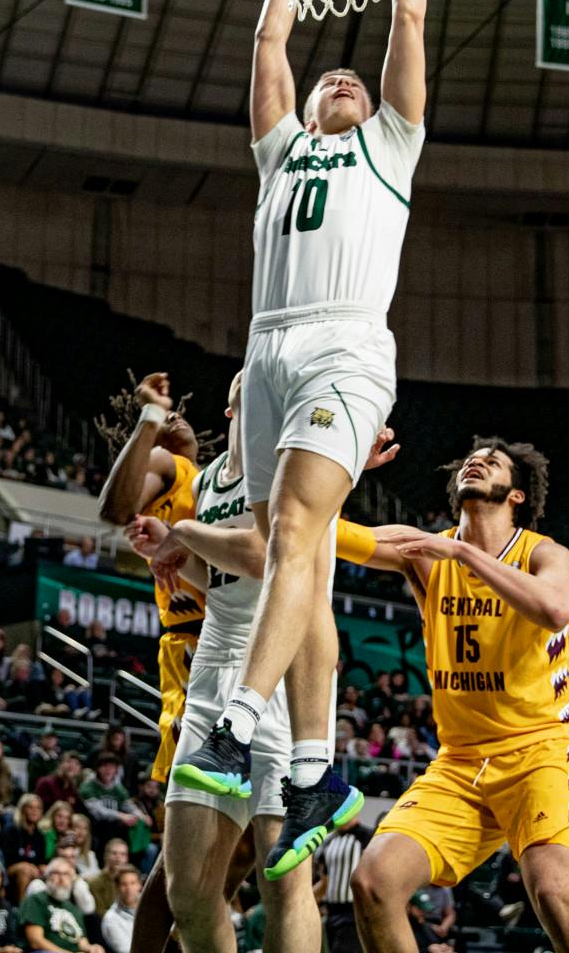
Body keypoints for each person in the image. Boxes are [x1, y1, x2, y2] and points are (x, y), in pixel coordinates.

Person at [170, 0, 428, 881]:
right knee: (302, 557)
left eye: (352, 80)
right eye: (332, 79)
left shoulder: (390, 147)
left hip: (345, 342)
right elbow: (267, 40)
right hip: (267, 350)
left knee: (286, 533)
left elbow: (406, 16)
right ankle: (317, 768)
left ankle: (239, 721)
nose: (342, 80)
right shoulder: (278, 152)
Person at [123, 371, 392, 953]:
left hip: (285, 673)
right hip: (213, 670)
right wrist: (169, 554)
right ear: (230, 405)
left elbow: (265, 555)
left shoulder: (298, 466)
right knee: (189, 892)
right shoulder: (214, 479)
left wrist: (185, 533)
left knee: (284, 882)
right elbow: (219, 577)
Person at [339, 439, 569, 953]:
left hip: (542, 751)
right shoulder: (423, 552)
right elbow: (327, 534)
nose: (477, 458)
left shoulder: (543, 552)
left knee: (554, 896)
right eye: (473, 455)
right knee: (372, 882)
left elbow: (555, 609)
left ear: (518, 495)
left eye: (494, 459)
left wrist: (462, 551)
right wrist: (344, 468)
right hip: (461, 761)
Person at [94, 372, 211, 800]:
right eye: (169, 417)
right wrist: (151, 416)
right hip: (195, 637)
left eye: (178, 412)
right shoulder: (172, 466)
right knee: (189, 790)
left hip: (232, 629)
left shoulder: (212, 480)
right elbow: (115, 507)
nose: (176, 417)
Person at [16, 858, 95, 953]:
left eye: (66, 874)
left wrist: (91, 948)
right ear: (47, 876)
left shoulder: (73, 908)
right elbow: (35, 941)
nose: (61, 879)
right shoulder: (37, 900)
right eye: (56, 873)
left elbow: (81, 940)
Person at [98, 869, 139, 953]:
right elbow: (125, 950)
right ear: (116, 887)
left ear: (139, 885)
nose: (129, 889)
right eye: (124, 884)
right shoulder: (111, 919)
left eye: (132, 883)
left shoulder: (151, 909)